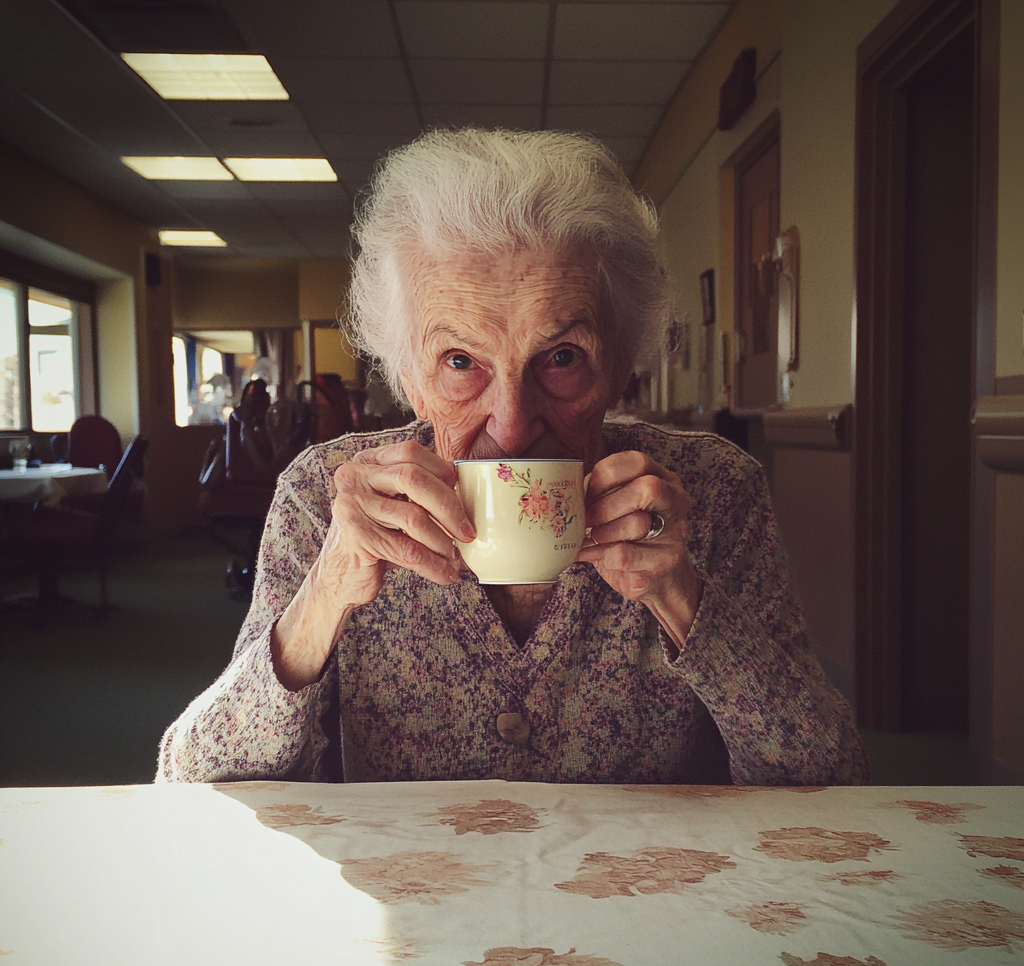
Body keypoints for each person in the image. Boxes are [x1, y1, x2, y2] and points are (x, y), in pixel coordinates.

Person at [160, 128, 867, 787]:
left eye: (561, 357)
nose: (514, 423)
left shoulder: (712, 492)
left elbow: (831, 775)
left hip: (643, 903)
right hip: (418, 909)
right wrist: (324, 596)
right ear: (408, 375)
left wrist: (680, 592)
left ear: (622, 365)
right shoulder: (325, 497)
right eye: (461, 360)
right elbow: (190, 780)